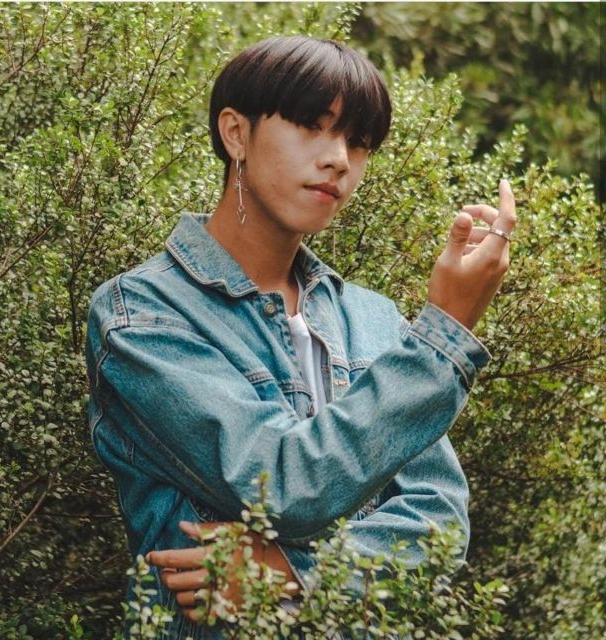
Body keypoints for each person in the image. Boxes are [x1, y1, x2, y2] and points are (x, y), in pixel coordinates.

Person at [85, 35, 516, 639]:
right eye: (312, 126)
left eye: (358, 142)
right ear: (236, 133)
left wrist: (292, 570)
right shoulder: (142, 316)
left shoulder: (372, 318)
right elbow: (283, 483)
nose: (338, 159)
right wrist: (444, 330)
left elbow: (439, 522)